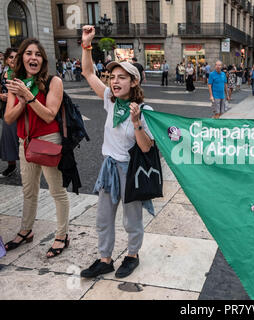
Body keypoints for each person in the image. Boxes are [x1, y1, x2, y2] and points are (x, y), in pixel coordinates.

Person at [78, 25, 155, 279]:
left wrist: (136, 123)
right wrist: (86, 45)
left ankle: (132, 255)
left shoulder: (145, 110)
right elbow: (88, 73)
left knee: (131, 220)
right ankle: (105, 259)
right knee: (103, 217)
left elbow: (146, 147)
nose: (114, 81)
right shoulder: (110, 99)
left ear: (134, 82)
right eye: (112, 77)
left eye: (122, 77)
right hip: (109, 166)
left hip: (131, 170)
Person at [3, 38, 70, 258]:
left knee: (56, 191)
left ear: (43, 59)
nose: (33, 57)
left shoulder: (54, 81)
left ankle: (62, 235)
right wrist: (21, 100)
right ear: (22, 57)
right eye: (29, 53)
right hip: (26, 141)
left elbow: (49, 114)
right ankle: (25, 230)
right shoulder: (16, 81)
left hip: (49, 140)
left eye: (38, 54)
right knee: (28, 190)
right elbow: (9, 118)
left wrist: (29, 96)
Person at [0, 48, 19, 178]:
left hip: (20, 108)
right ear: (6, 60)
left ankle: (31, 166)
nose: (13, 60)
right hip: (7, 109)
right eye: (11, 57)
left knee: (24, 138)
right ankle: (11, 165)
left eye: (16, 57)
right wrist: (1, 95)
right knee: (8, 137)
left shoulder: (23, 72)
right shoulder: (3, 73)